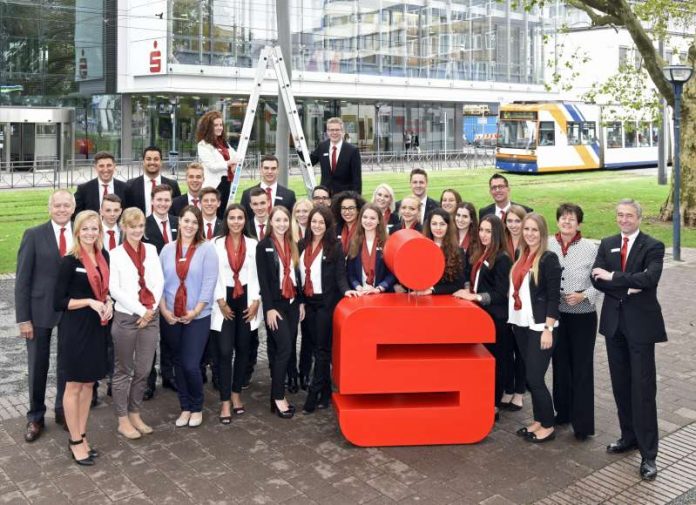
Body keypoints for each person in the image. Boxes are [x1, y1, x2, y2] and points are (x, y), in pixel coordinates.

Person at [591, 199, 666, 481]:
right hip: (614, 325)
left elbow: (649, 279)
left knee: (643, 390)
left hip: (641, 328)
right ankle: (628, 437)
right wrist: (627, 284)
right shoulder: (607, 242)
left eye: (629, 216)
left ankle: (649, 454)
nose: (623, 220)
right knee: (621, 385)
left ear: (639, 218)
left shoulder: (653, 246)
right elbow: (596, 279)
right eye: (620, 215)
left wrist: (613, 277)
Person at [54, 210, 112, 465]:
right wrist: (89, 301)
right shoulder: (69, 261)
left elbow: (105, 290)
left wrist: (107, 302)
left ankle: (83, 434)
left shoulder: (103, 256)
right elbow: (59, 301)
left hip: (98, 327)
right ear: (77, 231)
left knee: (89, 383)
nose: (90, 233)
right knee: (73, 385)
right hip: (76, 329)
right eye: (86, 229)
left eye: (95, 229)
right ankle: (74, 440)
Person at [16, 190, 74, 442]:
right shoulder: (34, 235)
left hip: (71, 312)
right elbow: (22, 281)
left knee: (67, 365)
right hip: (39, 312)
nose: (62, 209)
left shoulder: (82, 234)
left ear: (73, 208)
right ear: (49, 208)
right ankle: (35, 417)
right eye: (57, 205)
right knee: (38, 365)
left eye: (66, 205)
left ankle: (63, 411)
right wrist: (23, 318)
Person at [159, 206, 218, 428]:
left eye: (195, 222)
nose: (190, 225)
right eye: (186, 221)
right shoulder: (166, 250)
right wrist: (164, 311)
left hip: (198, 316)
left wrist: (195, 311)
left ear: (199, 225)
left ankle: (197, 406)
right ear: (179, 222)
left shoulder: (206, 249)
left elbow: (209, 283)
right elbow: (160, 285)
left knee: (191, 363)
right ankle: (184, 406)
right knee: (177, 363)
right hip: (171, 315)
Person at [108, 208, 164, 440]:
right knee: (124, 371)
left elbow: (159, 280)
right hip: (127, 317)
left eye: (140, 226)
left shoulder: (151, 250)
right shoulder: (114, 254)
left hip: (150, 317)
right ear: (123, 227)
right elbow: (115, 289)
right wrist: (141, 310)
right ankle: (122, 419)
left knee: (143, 369)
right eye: (132, 226)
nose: (137, 231)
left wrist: (150, 311)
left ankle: (135, 413)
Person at [548, 203, 598, 441]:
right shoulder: (548, 244)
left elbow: (601, 282)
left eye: (572, 219)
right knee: (560, 365)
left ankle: (583, 423)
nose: (567, 222)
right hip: (557, 314)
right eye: (563, 218)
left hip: (583, 315)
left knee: (581, 367)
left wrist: (584, 295)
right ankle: (563, 412)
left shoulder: (591, 248)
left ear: (579, 223)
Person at [453, 215, 512, 419]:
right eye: (481, 230)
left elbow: (500, 292)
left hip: (496, 319)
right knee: (482, 362)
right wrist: (468, 290)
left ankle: (494, 404)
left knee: (496, 362)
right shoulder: (481, 253)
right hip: (481, 318)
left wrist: (474, 296)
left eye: (488, 231)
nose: (484, 235)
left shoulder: (502, 258)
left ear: (496, 234)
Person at [509, 213, 561, 443]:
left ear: (542, 233)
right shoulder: (522, 255)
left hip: (540, 326)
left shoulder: (548, 259)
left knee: (535, 378)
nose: (529, 234)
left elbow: (553, 298)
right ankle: (539, 420)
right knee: (531, 378)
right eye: (526, 229)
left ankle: (548, 425)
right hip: (521, 325)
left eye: (534, 230)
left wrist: (548, 329)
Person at [299, 207, 356, 413]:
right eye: (314, 221)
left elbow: (341, 275)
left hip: (325, 304)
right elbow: (297, 278)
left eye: (321, 222)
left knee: (323, 351)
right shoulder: (302, 244)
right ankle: (325, 394)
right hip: (308, 303)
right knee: (315, 347)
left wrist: (347, 292)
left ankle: (313, 395)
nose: (316, 225)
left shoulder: (335, 246)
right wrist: (300, 302)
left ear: (328, 225)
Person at [210, 204, 260, 424]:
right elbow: (212, 275)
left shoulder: (253, 244)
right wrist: (220, 301)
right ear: (226, 220)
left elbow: (259, 275)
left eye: (240, 218)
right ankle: (224, 401)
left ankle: (236, 394)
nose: (236, 221)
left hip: (247, 299)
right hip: (224, 299)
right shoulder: (216, 244)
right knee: (223, 350)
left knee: (243, 349)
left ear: (245, 220)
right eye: (232, 218)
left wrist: (257, 301)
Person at [256, 206, 305, 418]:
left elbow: (299, 276)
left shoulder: (293, 245)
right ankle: (278, 396)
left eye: (285, 220)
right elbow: (264, 281)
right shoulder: (264, 246)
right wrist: (268, 309)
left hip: (293, 304)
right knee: (285, 348)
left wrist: (301, 302)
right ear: (271, 221)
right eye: (278, 220)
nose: (282, 224)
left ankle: (274, 397)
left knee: (281, 350)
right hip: (275, 306)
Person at [142, 184, 178, 399]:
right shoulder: (143, 225)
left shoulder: (177, 223)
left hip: (174, 287)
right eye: (159, 200)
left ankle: (169, 374)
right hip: (150, 288)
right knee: (148, 338)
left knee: (170, 334)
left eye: (167, 200)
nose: (163, 203)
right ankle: (148, 381)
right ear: (152, 201)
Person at [415, 208, 468, 295]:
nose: (438, 228)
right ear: (429, 226)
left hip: (444, 300)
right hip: (420, 298)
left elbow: (458, 284)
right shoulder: (420, 248)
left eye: (442, 224)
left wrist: (432, 289)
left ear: (448, 226)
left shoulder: (458, 251)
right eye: (434, 224)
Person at [346, 204, 396, 294]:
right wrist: (358, 287)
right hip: (360, 294)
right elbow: (350, 273)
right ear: (360, 219)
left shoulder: (387, 243)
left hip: (382, 295)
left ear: (378, 221)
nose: (368, 221)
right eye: (365, 217)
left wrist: (379, 288)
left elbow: (392, 273)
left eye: (372, 218)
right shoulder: (354, 242)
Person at [196, 111, 237, 215]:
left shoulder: (224, 143)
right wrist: (229, 163)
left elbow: (236, 157)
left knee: (224, 215)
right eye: (216, 125)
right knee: (213, 215)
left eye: (221, 125)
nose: (220, 127)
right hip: (214, 186)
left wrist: (234, 164)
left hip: (228, 183)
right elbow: (212, 166)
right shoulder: (203, 145)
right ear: (209, 127)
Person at [306, 117, 362, 194]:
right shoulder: (322, 147)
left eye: (337, 130)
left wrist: (356, 199)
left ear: (342, 131)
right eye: (331, 130)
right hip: (325, 196)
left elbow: (357, 179)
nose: (334, 133)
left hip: (344, 197)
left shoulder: (352, 150)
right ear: (327, 132)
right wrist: (299, 147)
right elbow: (310, 161)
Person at [124, 146, 181, 216]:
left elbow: (177, 211)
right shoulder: (130, 185)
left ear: (161, 162)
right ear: (143, 162)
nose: (152, 162)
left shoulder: (172, 185)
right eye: (148, 159)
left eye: (156, 159)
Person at [240, 154, 297, 219]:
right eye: (266, 168)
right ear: (261, 170)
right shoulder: (247, 194)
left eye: (273, 168)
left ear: (278, 170)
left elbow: (293, 221)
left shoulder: (289, 195)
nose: (270, 171)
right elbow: (243, 219)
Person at [332, 191, 366, 255]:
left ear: (358, 210)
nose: (347, 212)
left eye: (351, 208)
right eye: (344, 208)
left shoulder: (364, 229)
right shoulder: (336, 229)